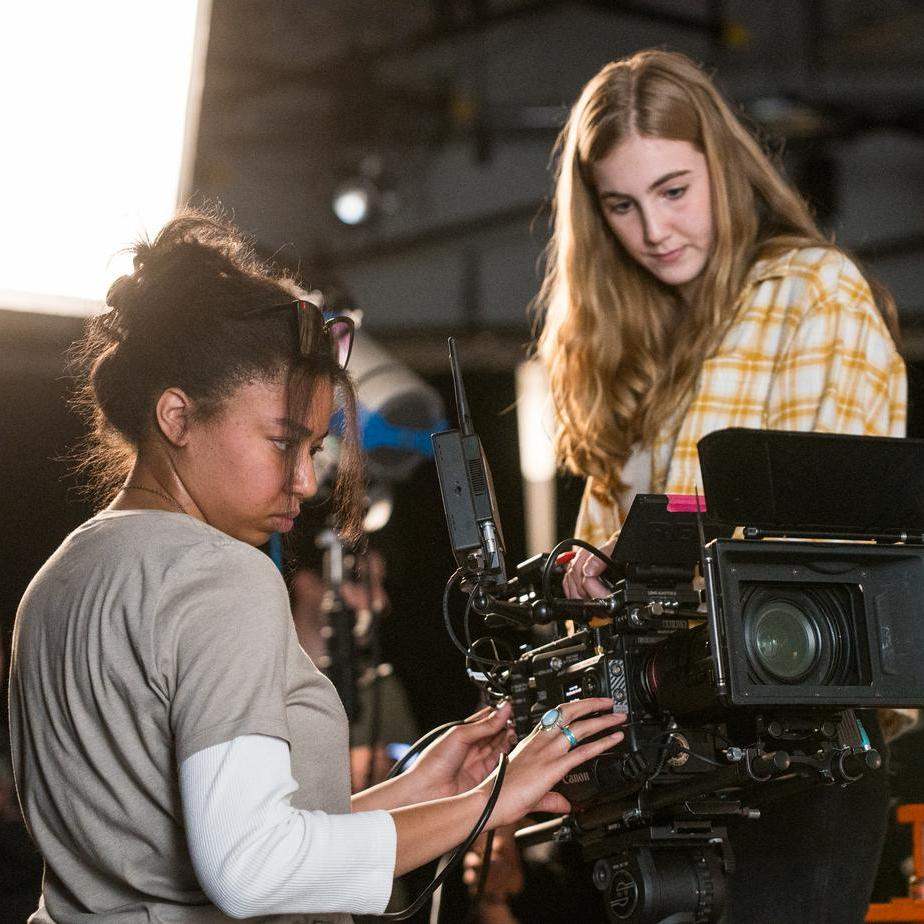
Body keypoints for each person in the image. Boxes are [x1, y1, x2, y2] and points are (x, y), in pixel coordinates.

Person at [7, 210, 627, 923]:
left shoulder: (62, 577)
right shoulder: (220, 576)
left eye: (313, 448)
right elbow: (252, 869)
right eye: (282, 442)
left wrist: (422, 792)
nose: (306, 479)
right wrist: (490, 803)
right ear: (176, 417)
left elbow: (185, 850)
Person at [533, 50, 911, 923]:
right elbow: (601, 568)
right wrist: (581, 574)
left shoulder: (814, 293)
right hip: (665, 769)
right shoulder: (623, 348)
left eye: (674, 190)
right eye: (621, 205)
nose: (653, 229)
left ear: (724, 169)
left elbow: (825, 559)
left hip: (795, 758)